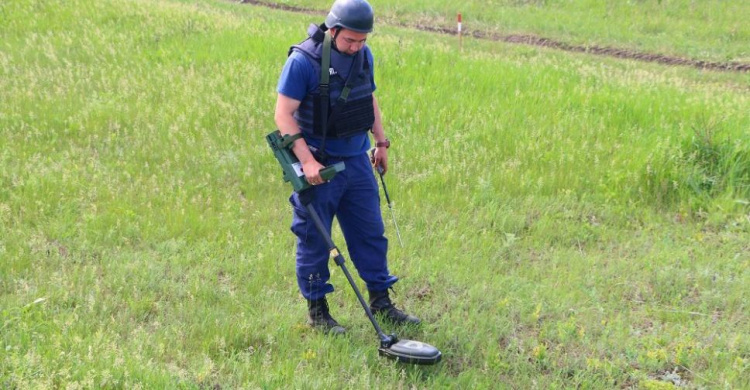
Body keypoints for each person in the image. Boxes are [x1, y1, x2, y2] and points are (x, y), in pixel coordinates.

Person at [274, 0, 420, 334]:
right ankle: (318, 311)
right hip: (319, 164)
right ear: (333, 30)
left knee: (370, 233)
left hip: (356, 161)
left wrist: (380, 142)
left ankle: (381, 301)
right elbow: (283, 115)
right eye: (349, 41)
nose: (355, 47)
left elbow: (369, 98)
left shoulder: (363, 57)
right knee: (314, 239)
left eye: (362, 41)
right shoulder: (303, 61)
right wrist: (307, 161)